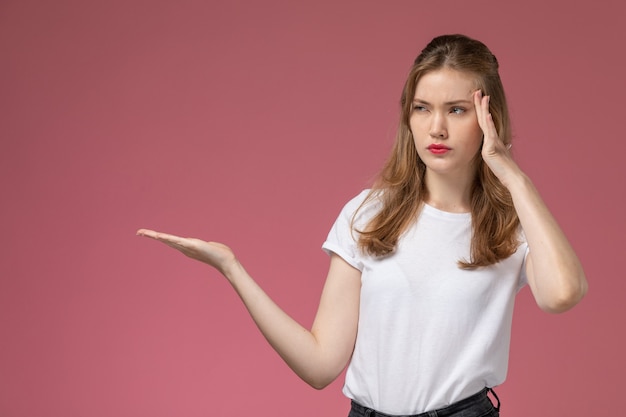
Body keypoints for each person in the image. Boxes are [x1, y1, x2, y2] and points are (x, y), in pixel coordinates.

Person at [137, 34, 587, 417]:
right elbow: (319, 365)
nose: (436, 128)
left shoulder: (512, 223)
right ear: (407, 117)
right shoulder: (369, 213)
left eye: (456, 110)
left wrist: (511, 173)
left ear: (489, 118)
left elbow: (562, 294)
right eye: (421, 108)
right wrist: (230, 267)